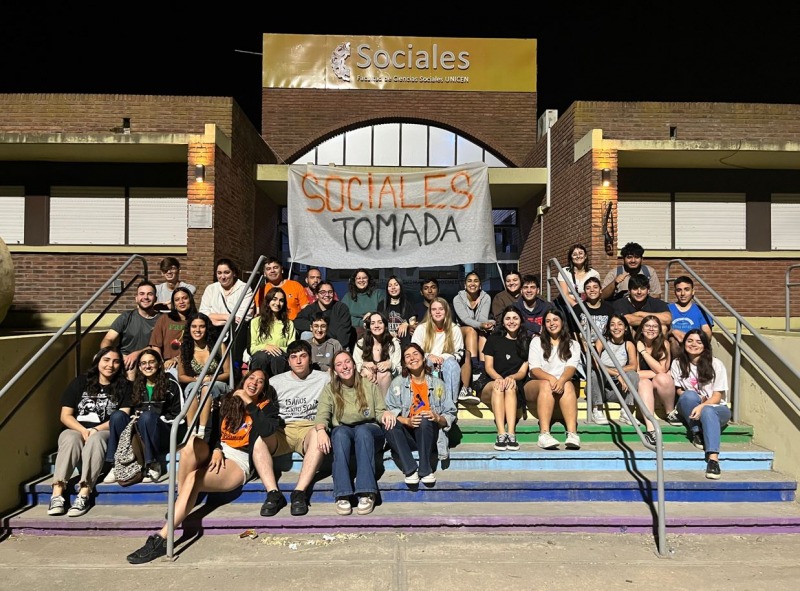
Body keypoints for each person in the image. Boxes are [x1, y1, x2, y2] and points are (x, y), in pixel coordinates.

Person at [126, 369, 279, 564]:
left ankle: (161, 538)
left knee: (194, 478)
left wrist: (249, 404)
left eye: (260, 381)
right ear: (244, 380)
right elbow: (213, 432)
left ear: (263, 388)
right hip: (219, 452)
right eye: (251, 378)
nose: (254, 383)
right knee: (189, 445)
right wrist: (216, 449)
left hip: (239, 459)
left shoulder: (266, 407)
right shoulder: (227, 400)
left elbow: (266, 430)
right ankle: (182, 503)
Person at [47, 346, 131, 518]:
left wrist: (94, 429)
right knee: (70, 438)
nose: (110, 365)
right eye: (106, 360)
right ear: (98, 361)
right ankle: (57, 494)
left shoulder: (125, 386)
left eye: (116, 361)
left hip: (105, 430)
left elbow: (123, 415)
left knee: (96, 439)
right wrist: (82, 430)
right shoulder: (80, 382)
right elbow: (65, 415)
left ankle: (84, 493)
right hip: (77, 428)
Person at [251, 340, 331, 517]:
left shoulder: (324, 379)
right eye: (294, 357)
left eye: (303, 356)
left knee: (318, 436)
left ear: (310, 358)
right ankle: (273, 493)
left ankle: (299, 492)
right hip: (282, 429)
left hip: (309, 428)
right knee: (259, 441)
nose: (299, 361)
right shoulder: (275, 382)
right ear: (288, 361)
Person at [315, 350, 395, 515]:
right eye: (339, 364)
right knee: (339, 433)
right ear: (334, 370)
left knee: (363, 431)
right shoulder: (330, 389)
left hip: (370, 430)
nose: (344, 367)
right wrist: (321, 429)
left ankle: (366, 491)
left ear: (354, 364)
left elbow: (379, 411)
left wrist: (385, 413)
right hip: (345, 432)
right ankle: (342, 494)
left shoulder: (368, 384)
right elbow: (322, 414)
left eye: (347, 362)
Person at [103, 348, 182, 484]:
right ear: (139, 366)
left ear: (159, 364)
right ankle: (115, 465)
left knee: (148, 417)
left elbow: (178, 415)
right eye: (143, 363)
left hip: (164, 434)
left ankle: (152, 463)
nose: (148, 366)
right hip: (139, 434)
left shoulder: (171, 384)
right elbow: (128, 411)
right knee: (117, 416)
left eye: (151, 362)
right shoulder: (135, 386)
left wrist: (153, 418)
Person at [385, 343, 456, 486]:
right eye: (407, 356)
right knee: (388, 422)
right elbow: (389, 409)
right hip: (407, 436)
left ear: (423, 358)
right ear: (404, 363)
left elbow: (450, 413)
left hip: (429, 435)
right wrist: (407, 421)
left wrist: (437, 418)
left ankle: (425, 468)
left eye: (415, 354)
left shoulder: (438, 384)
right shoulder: (397, 383)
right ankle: (410, 469)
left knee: (424, 418)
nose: (412, 358)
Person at [670, 329, 731, 480]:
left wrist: (702, 405)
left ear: (705, 345)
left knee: (708, 411)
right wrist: (697, 399)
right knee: (688, 395)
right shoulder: (678, 363)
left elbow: (717, 397)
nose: (693, 345)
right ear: (684, 344)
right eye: (690, 341)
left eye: (698, 342)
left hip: (717, 409)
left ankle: (713, 460)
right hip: (692, 406)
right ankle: (697, 431)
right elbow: (678, 390)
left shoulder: (716, 364)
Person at [523, 308, 581, 450]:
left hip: (561, 384)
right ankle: (544, 434)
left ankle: (572, 433)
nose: (551, 323)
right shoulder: (536, 342)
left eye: (555, 320)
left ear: (562, 322)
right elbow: (534, 369)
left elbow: (571, 368)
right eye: (548, 321)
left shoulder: (573, 344)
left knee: (568, 384)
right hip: (536, 384)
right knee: (545, 384)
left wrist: (560, 380)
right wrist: (551, 379)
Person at [478, 306, 530, 451]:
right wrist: (499, 378)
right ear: (503, 321)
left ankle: (511, 433)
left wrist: (512, 377)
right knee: (499, 387)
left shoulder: (526, 341)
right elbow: (488, 367)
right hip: (491, 381)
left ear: (521, 320)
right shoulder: (494, 339)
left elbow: (523, 370)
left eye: (515, 318)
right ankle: (501, 433)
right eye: (508, 318)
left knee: (510, 387)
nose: (511, 321)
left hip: (514, 382)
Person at [411, 297, 475, 408]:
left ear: (446, 311)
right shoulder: (421, 328)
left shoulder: (454, 329)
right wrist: (429, 356)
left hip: (447, 363)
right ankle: (431, 403)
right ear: (430, 312)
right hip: (427, 363)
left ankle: (451, 406)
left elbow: (459, 353)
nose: (437, 312)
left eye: (441, 309)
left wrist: (443, 357)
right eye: (434, 309)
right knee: (428, 363)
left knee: (452, 364)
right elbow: (413, 351)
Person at [178, 312, 231, 439]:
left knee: (206, 388)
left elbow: (228, 373)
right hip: (195, 382)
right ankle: (191, 431)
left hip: (216, 382)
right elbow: (181, 376)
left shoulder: (219, 346)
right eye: (194, 326)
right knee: (193, 388)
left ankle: (202, 431)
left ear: (207, 328)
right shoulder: (185, 348)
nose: (197, 330)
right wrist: (197, 380)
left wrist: (210, 379)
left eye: (201, 326)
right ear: (189, 329)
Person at [198, 258, 254, 373]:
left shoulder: (244, 289)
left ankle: (233, 373)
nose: (222, 277)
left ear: (233, 273)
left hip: (237, 332)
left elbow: (244, 315)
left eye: (226, 272)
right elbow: (203, 313)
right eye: (219, 273)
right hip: (214, 330)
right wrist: (227, 317)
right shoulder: (211, 289)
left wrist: (214, 318)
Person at [101, 280, 159, 380]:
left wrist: (137, 354)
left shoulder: (161, 319)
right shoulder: (126, 317)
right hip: (123, 356)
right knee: (98, 359)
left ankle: (130, 395)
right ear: (136, 298)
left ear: (155, 298)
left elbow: (157, 346)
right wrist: (112, 355)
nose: (145, 297)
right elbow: (108, 339)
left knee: (131, 368)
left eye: (150, 294)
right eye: (142, 294)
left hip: (148, 358)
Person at [589, 313, 639, 428]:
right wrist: (617, 374)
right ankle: (597, 409)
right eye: (612, 325)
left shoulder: (629, 344)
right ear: (608, 328)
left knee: (633, 375)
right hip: (599, 387)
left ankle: (626, 412)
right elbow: (596, 364)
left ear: (626, 328)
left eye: (620, 324)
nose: (616, 328)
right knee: (596, 372)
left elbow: (633, 365)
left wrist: (619, 373)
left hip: (617, 390)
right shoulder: (602, 341)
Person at [635, 315, 678, 439]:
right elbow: (636, 372)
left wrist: (643, 352)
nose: (651, 329)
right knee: (645, 382)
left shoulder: (664, 343)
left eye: (655, 326)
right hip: (641, 384)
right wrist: (659, 372)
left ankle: (670, 412)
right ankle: (651, 428)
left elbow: (662, 369)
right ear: (642, 329)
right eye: (647, 326)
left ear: (659, 330)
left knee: (663, 378)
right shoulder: (635, 344)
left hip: (660, 384)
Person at [452, 271, 495, 387]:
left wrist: (487, 324)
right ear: (465, 285)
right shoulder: (457, 298)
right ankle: (474, 366)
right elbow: (465, 319)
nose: (473, 284)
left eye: (476, 281)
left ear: (480, 284)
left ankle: (482, 369)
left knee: (483, 332)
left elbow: (483, 318)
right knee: (471, 330)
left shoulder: (486, 297)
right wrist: (481, 324)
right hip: (462, 330)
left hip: (479, 330)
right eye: (469, 281)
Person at [247, 286, 296, 378]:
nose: (277, 303)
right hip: (260, 356)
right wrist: (266, 347)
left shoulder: (289, 324)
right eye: (274, 299)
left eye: (281, 300)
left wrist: (276, 349)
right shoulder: (255, 322)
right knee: (261, 357)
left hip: (280, 357)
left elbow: (291, 348)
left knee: (277, 357)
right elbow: (252, 348)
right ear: (268, 301)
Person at [148, 286, 197, 377]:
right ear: (174, 303)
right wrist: (161, 364)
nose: (181, 302)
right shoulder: (164, 319)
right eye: (177, 300)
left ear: (190, 300)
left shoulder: (196, 320)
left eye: (185, 298)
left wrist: (177, 359)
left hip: (190, 362)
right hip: (167, 363)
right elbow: (155, 345)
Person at [293, 280, 355, 351]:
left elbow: (343, 335)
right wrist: (316, 327)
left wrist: (325, 333)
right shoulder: (311, 308)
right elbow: (297, 322)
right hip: (317, 345)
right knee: (306, 334)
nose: (327, 295)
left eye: (330, 292)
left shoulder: (341, 308)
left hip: (337, 345)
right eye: (323, 292)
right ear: (316, 295)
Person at [353, 311, 401, 396]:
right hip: (368, 379)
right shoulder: (361, 343)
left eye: (380, 322)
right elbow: (355, 365)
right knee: (365, 373)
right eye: (372, 323)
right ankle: (367, 407)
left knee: (384, 374)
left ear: (385, 325)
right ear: (369, 327)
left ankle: (385, 407)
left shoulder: (393, 343)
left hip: (389, 384)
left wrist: (391, 365)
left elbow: (399, 370)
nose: (376, 326)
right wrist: (364, 365)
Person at [668, 275, 713, 359]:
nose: (682, 294)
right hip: (674, 349)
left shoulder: (701, 310)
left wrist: (691, 339)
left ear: (693, 291)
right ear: (675, 292)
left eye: (686, 289)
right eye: (679, 290)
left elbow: (707, 335)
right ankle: (679, 367)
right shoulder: (667, 308)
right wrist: (673, 331)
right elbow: (660, 331)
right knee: (673, 341)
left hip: (694, 347)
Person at [341, 268, 385, 339]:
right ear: (354, 281)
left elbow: (384, 313)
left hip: (375, 331)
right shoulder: (347, 297)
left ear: (368, 279)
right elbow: (343, 317)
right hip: (353, 333)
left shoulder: (378, 294)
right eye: (358, 278)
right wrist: (362, 323)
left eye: (364, 278)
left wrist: (372, 314)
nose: (361, 280)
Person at [378, 275, 417, 348]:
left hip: (404, 345)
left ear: (401, 287)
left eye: (396, 285)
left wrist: (407, 324)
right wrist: (390, 336)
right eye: (390, 285)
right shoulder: (382, 305)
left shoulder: (407, 305)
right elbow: (378, 325)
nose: (393, 288)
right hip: (387, 344)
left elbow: (414, 325)